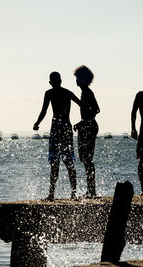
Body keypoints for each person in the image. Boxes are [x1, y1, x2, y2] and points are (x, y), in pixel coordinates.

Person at [33, 72, 83, 201]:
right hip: (66, 127)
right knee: (69, 162)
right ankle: (73, 194)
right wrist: (84, 121)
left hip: (56, 129)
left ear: (50, 82)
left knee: (55, 163)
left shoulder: (49, 93)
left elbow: (43, 111)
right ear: (61, 81)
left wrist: (37, 123)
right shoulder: (67, 92)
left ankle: (51, 195)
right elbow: (82, 105)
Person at [73, 65, 100, 199]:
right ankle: (91, 189)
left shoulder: (87, 93)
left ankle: (92, 190)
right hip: (86, 125)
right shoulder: (84, 92)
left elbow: (96, 110)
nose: (76, 80)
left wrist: (83, 122)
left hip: (89, 126)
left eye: (78, 78)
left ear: (84, 79)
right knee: (84, 158)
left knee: (87, 159)